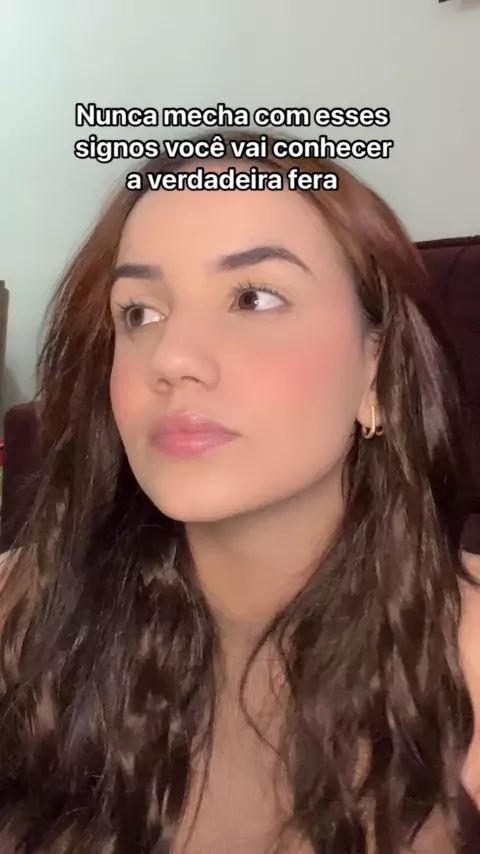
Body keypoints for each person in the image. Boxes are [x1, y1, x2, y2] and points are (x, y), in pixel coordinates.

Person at [0, 131, 479, 854]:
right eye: (140, 312)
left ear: (375, 373)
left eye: (254, 297)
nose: (172, 357)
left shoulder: (467, 661)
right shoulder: (26, 615)